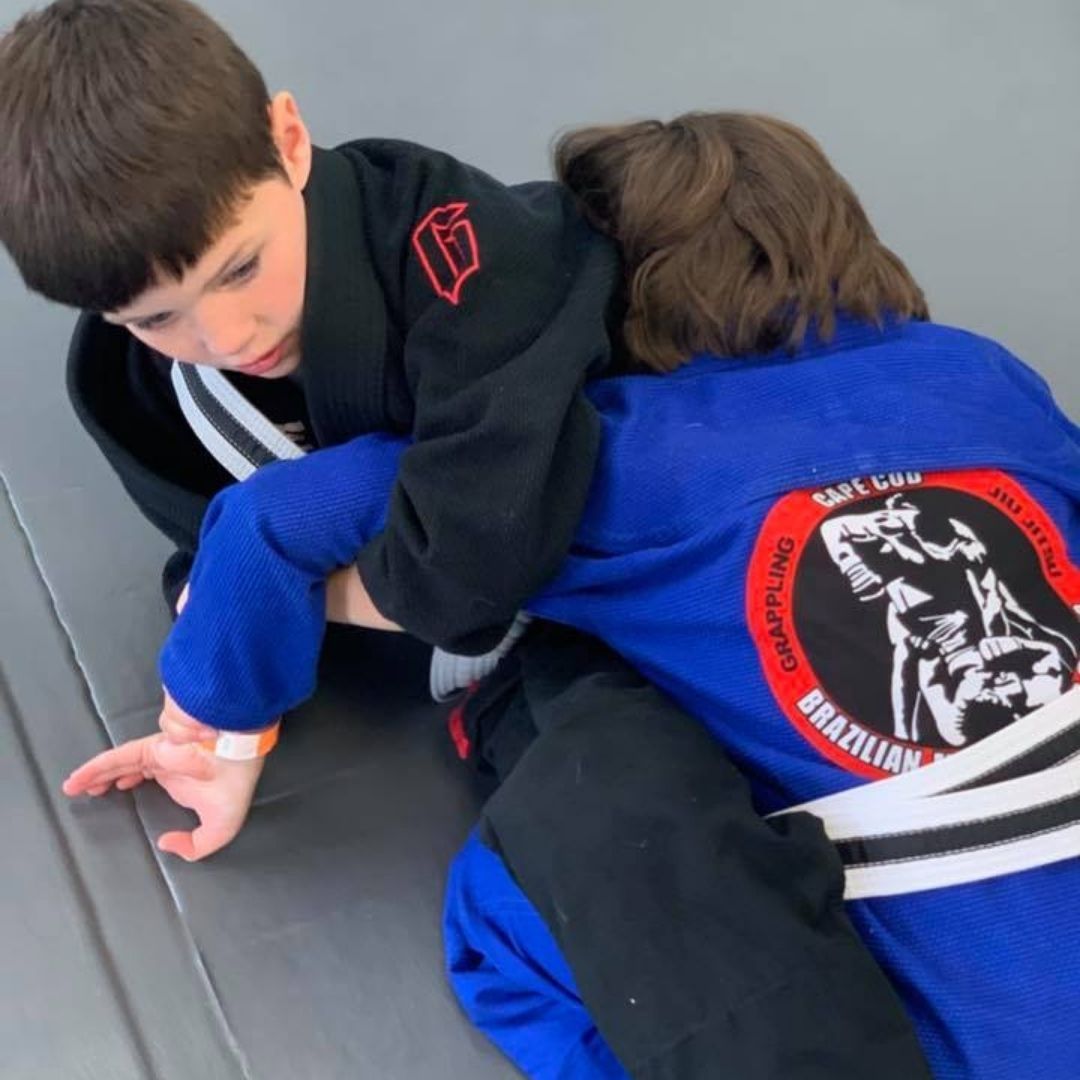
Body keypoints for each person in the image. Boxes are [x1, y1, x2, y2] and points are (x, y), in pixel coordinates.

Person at [0, 3, 928, 1077]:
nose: (225, 338)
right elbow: (210, 546)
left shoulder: (461, 245)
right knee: (600, 836)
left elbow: (470, 565)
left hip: (679, 544)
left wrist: (267, 588)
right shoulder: (124, 385)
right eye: (157, 319)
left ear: (290, 141)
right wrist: (224, 714)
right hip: (543, 653)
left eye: (241, 269)